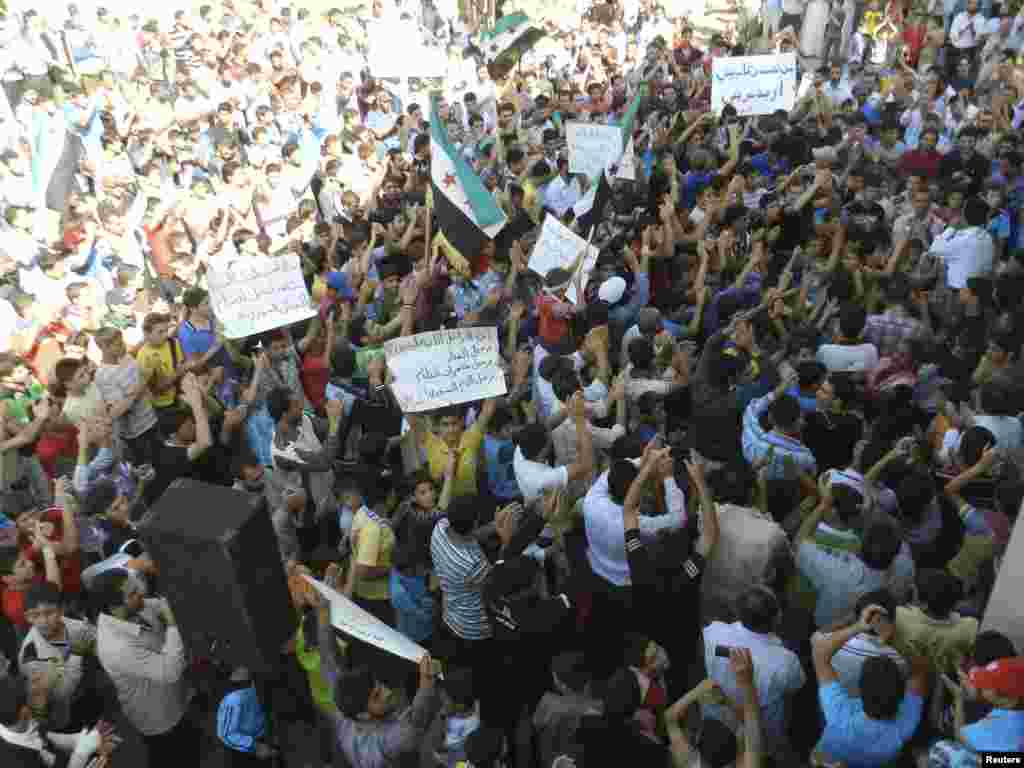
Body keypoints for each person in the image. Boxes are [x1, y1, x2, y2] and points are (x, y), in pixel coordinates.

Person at [92, 570, 197, 768]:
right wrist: (172, 624)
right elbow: (170, 671)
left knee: (188, 743)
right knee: (173, 757)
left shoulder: (133, 607)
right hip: (159, 716)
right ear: (114, 607)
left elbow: (153, 604)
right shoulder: (117, 647)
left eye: (136, 586)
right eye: (132, 592)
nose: (141, 593)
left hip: (173, 698)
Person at [811, 603, 932, 767]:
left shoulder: (840, 717)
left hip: (828, 759)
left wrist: (858, 626)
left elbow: (820, 654)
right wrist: (892, 638)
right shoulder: (905, 724)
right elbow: (920, 670)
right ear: (900, 693)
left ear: (860, 690)